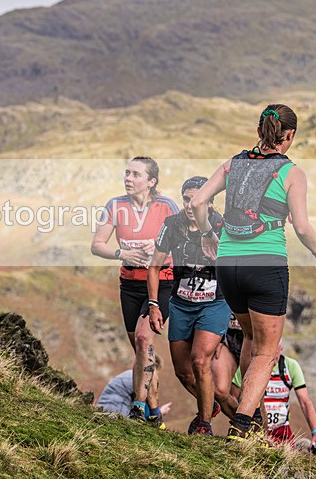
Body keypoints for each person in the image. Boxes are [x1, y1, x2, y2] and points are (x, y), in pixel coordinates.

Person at [192, 104, 316, 440]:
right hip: (266, 266)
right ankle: (242, 426)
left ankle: (246, 418)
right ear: (288, 135)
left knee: (249, 336)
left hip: (229, 266)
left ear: (260, 130)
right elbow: (303, 228)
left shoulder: (233, 164)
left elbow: (198, 202)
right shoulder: (292, 174)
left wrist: (207, 234)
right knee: (266, 350)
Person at [91, 157, 179, 427]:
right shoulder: (115, 205)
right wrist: (122, 252)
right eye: (126, 173)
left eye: (135, 174)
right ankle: (155, 414)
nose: (128, 178)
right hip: (129, 285)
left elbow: (186, 241)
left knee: (144, 339)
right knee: (143, 352)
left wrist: (161, 251)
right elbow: (97, 245)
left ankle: (138, 411)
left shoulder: (167, 207)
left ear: (151, 182)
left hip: (162, 282)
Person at [147, 176, 232, 436]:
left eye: (197, 199)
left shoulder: (222, 224)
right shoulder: (172, 224)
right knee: (183, 372)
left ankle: (203, 424)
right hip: (181, 304)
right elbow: (154, 266)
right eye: (186, 199)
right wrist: (153, 304)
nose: (190, 204)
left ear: (210, 202)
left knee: (199, 360)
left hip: (214, 304)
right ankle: (218, 408)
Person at [232, 342, 316, 448]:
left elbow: (305, 401)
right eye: (270, 353)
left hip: (282, 431)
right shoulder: (249, 366)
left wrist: (314, 431)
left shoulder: (290, 366)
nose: (273, 357)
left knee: (305, 445)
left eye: (276, 352)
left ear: (281, 349)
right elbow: (233, 397)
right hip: (256, 429)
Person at [97, 359, 172, 419]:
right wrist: (160, 412)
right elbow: (147, 412)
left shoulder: (130, 374)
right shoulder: (141, 379)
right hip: (116, 412)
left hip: (103, 410)